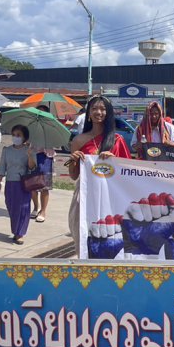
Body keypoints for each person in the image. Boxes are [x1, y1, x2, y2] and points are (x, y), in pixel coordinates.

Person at [68, 96, 132, 251]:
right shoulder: (78, 140)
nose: (99, 112)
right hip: (85, 195)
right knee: (83, 238)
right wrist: (74, 161)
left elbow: (128, 174)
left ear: (108, 113)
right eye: (94, 108)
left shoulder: (117, 140)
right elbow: (74, 175)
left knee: (109, 239)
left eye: (103, 109)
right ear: (89, 113)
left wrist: (114, 160)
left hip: (110, 197)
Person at [0, 124, 37, 244]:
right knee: (12, 207)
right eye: (13, 135)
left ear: (24, 137)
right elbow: (2, 167)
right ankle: (15, 230)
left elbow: (32, 167)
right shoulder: (7, 150)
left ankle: (20, 233)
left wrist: (30, 155)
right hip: (10, 184)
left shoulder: (29, 150)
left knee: (23, 208)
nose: (15, 137)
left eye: (18, 135)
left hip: (23, 184)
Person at [32, 147, 55, 223]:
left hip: (47, 157)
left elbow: (57, 144)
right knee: (32, 186)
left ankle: (43, 211)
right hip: (34, 154)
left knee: (45, 186)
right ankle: (36, 207)